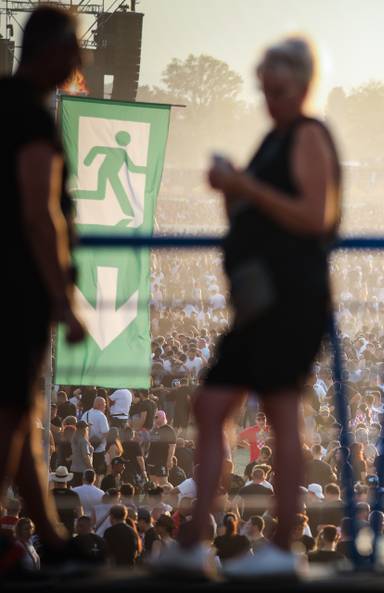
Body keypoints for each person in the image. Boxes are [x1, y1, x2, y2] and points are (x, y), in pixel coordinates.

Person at [160, 35, 341, 578]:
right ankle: (194, 542)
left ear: (304, 84)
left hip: (292, 297)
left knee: (283, 415)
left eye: (279, 89)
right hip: (260, 301)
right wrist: (232, 189)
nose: (270, 100)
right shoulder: (275, 137)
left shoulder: (309, 134)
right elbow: (260, 213)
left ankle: (285, 547)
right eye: (264, 90)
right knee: (212, 407)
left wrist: (243, 185)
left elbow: (316, 217)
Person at [1, 6, 85, 566]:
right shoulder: (31, 119)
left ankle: (52, 540)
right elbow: (40, 213)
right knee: (11, 416)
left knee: (21, 412)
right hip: (16, 287)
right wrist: (62, 296)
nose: (81, 61)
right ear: (53, 52)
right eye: (76, 49)